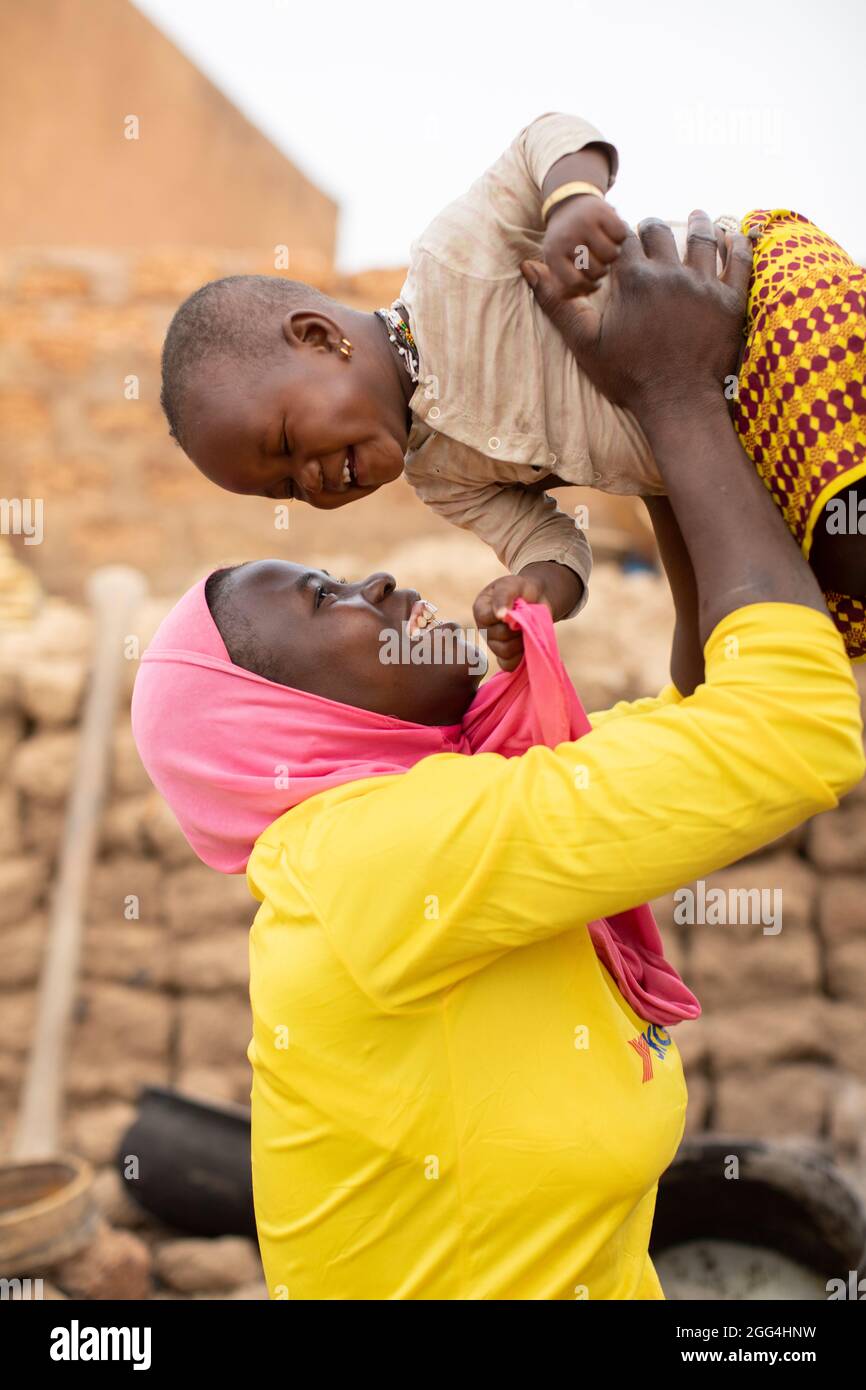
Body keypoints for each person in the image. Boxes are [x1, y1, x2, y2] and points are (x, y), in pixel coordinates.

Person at [132, 214, 865, 1300]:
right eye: (321, 598)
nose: (373, 584)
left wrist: (649, 435)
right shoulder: (377, 859)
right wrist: (676, 397)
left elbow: (706, 711)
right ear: (275, 722)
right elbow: (787, 726)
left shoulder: (431, 815)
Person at [157, 113, 866, 667]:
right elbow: (550, 539)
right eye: (285, 490)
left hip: (756, 306)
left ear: (317, 336)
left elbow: (545, 137)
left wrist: (569, 204)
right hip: (721, 434)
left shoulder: (453, 266)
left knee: (843, 545)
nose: (310, 480)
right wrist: (535, 591)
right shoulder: (441, 479)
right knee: (731, 654)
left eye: (286, 444)